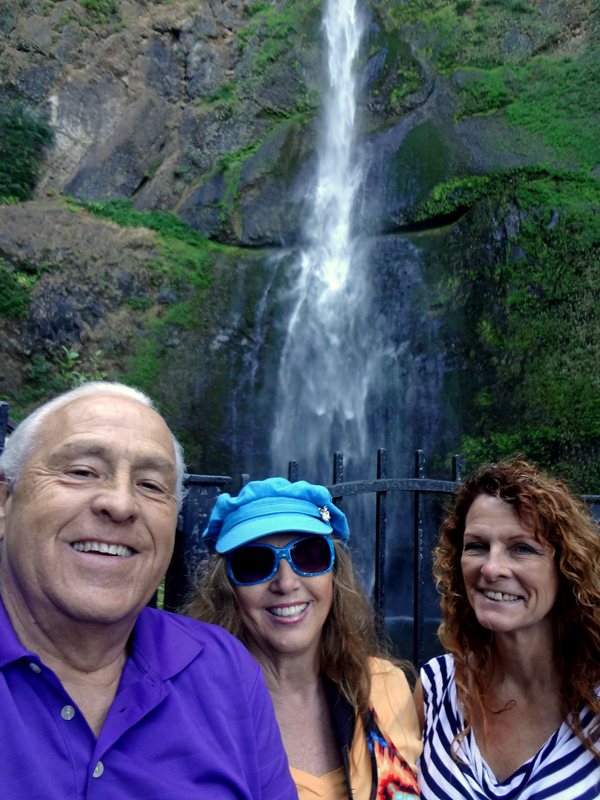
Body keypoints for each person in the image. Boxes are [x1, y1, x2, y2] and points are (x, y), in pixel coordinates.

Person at [0, 381, 297, 799]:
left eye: (151, 485)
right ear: (4, 498)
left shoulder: (225, 669)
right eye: (82, 471)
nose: (121, 504)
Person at [186, 477, 422, 800]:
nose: (286, 583)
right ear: (228, 588)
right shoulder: (195, 714)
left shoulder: (386, 687)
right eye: (255, 563)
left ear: (333, 575)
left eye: (309, 555)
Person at [415, 460, 600, 799]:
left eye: (522, 548)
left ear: (567, 568)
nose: (491, 567)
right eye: (477, 546)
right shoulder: (435, 689)